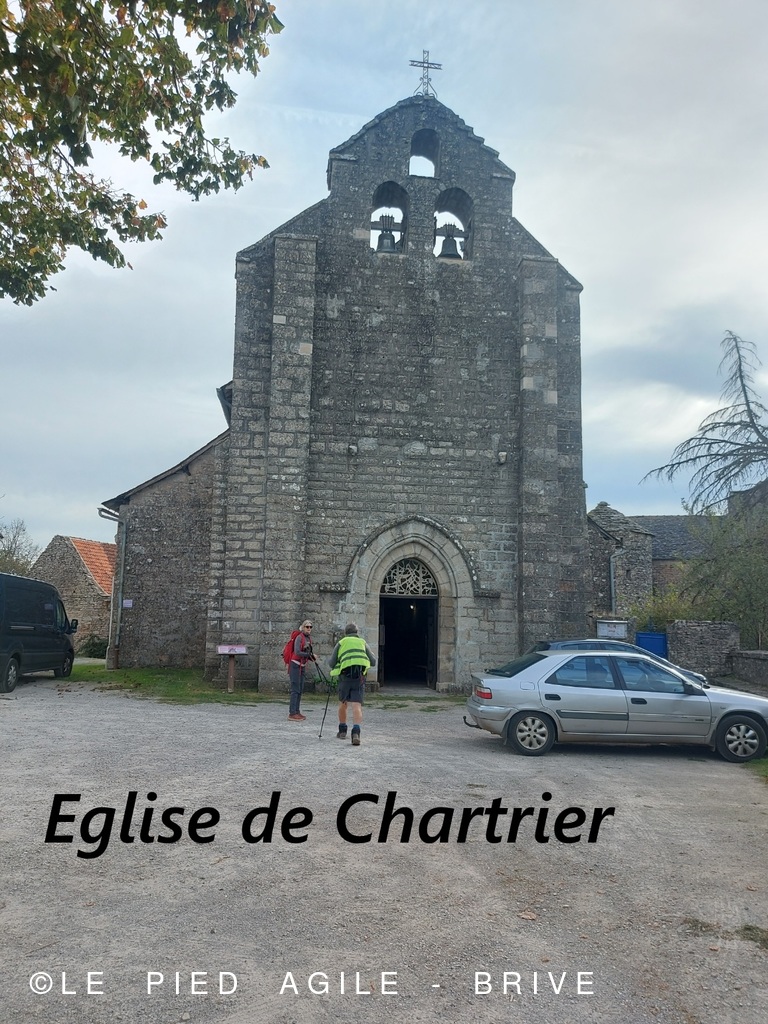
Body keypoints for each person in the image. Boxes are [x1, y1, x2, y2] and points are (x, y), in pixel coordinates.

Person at [328, 622, 376, 746]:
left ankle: (342, 730)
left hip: (344, 678)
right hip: (359, 678)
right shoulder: (362, 642)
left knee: (343, 703)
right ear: (357, 632)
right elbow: (373, 662)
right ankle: (356, 733)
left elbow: (331, 663)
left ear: (346, 633)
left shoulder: (341, 643)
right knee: (356, 705)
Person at [288, 620, 314, 721]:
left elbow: (307, 652)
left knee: (300, 689)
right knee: (295, 689)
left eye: (310, 627)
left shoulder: (309, 639)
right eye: (307, 627)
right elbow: (297, 652)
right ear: (303, 627)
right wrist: (309, 655)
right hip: (295, 665)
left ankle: (297, 711)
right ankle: (292, 713)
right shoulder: (299, 637)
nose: (309, 629)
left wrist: (311, 657)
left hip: (302, 666)